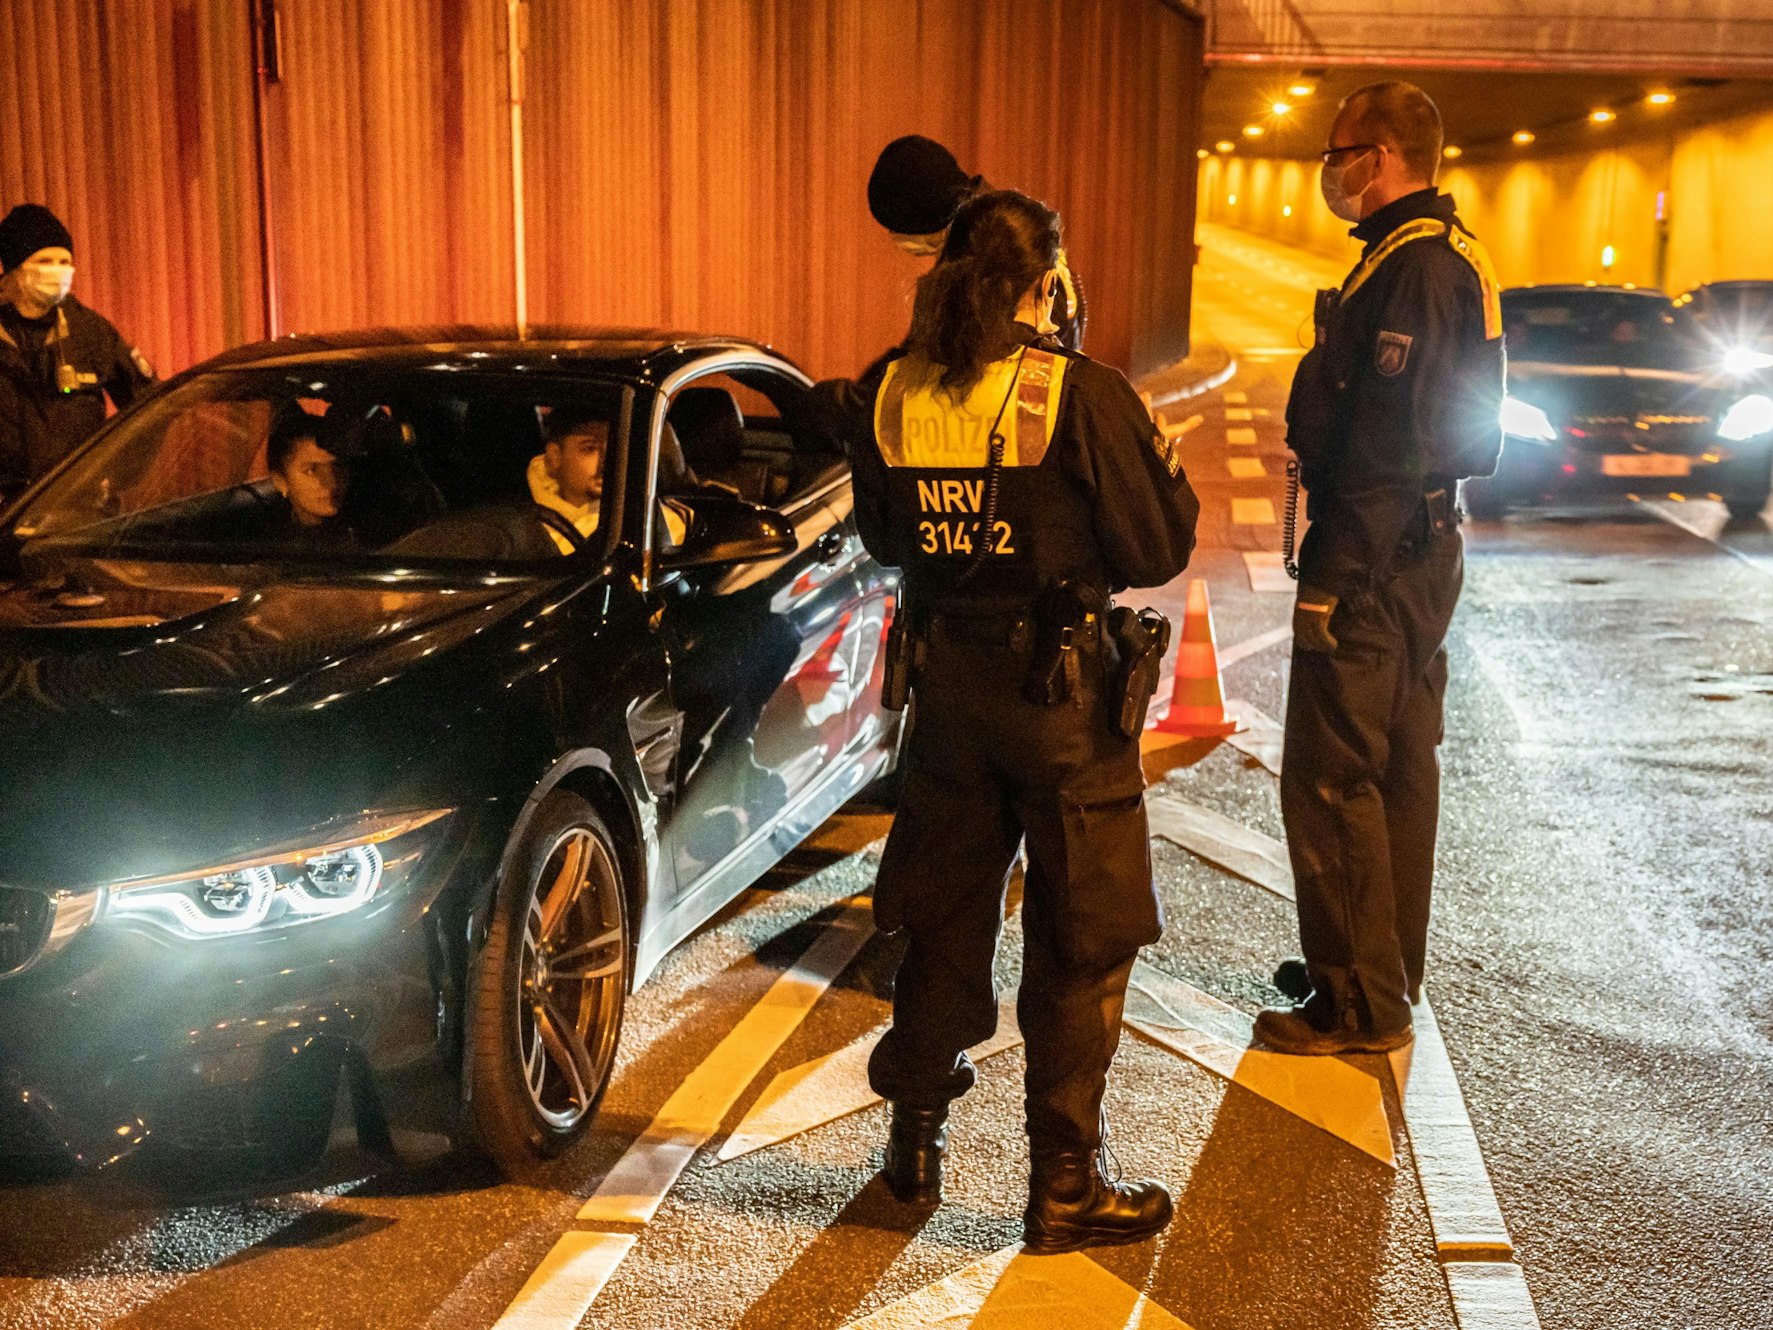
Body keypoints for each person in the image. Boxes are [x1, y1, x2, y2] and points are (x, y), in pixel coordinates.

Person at [845, 188, 1200, 1254]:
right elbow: (1155, 544)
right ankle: (1064, 1184)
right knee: (1083, 933)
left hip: (950, 695)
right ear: (1046, 281)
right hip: (1062, 703)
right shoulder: (1075, 392)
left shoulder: (891, 390)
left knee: (943, 913)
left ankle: (912, 1148)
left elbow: (878, 530)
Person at [1259, 82, 1505, 1057]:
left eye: (1342, 150)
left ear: (1386, 155)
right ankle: (1378, 963)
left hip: (1380, 551)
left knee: (1331, 774)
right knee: (1402, 764)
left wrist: (1335, 574)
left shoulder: (1412, 271)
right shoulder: (1449, 256)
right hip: (1424, 547)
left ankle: (1358, 999)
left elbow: (1387, 441)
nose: (1333, 167)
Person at [0, 204, 155, 500]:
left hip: (80, 510)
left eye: (64, 260)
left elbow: (149, 406)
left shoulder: (90, 332)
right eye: (44, 260)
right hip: (9, 512)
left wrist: (116, 475)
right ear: (15, 271)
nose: (57, 270)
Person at [265, 407, 353, 546]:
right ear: (280, 481)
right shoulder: (276, 549)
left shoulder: (370, 526)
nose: (331, 481)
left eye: (337, 466)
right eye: (311, 470)